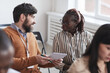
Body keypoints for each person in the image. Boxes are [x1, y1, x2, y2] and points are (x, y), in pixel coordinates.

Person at [3, 3, 61, 73]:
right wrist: (34, 60)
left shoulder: (31, 35)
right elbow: (5, 62)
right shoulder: (5, 34)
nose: (35, 22)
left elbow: (37, 61)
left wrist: (52, 62)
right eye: (32, 17)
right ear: (22, 17)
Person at [53, 9, 93, 73]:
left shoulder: (88, 36)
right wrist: (71, 68)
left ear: (75, 22)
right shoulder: (58, 37)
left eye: (66, 22)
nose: (63, 24)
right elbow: (55, 62)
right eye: (62, 21)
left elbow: (92, 57)